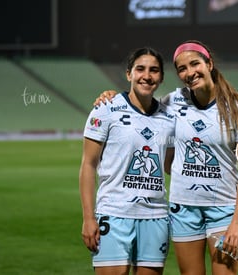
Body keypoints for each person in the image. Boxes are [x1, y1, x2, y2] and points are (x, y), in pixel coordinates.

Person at [95, 40, 238, 275]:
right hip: (183, 209)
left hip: (224, 209)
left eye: (195, 64)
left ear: (209, 63)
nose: (190, 73)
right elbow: (141, 109)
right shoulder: (172, 102)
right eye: (182, 68)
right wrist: (111, 97)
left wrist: (237, 223)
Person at [79, 47, 175, 275]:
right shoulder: (106, 109)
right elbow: (88, 165)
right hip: (114, 213)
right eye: (140, 69)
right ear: (129, 74)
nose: (147, 75)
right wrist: (88, 217)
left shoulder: (170, 117)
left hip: (156, 216)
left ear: (160, 78)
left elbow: (170, 166)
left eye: (154, 70)